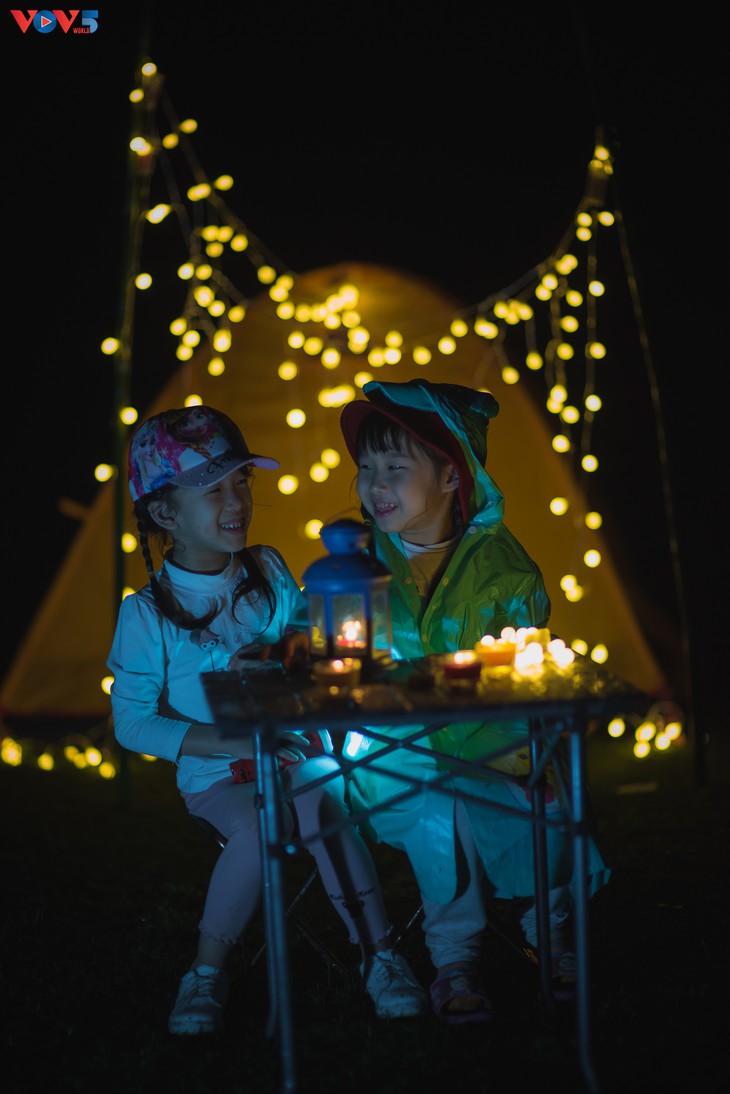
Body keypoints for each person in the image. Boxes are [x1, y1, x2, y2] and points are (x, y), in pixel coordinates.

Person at [107, 404, 428, 1036]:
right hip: (220, 778)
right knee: (261, 823)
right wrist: (231, 739)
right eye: (214, 489)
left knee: (323, 804)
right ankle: (206, 970)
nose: (237, 501)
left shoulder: (269, 571)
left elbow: (307, 640)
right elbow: (133, 723)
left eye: (242, 482)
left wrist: (294, 648)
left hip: (296, 753)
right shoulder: (147, 614)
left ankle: (381, 956)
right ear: (165, 514)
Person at [338, 378, 610, 1024]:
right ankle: (454, 958)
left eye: (395, 467)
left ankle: (552, 933)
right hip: (393, 748)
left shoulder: (505, 570)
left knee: (538, 791)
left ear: (451, 476)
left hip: (491, 738)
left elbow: (527, 668)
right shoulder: (355, 565)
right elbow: (316, 638)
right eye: (367, 468)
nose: (375, 484)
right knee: (441, 804)